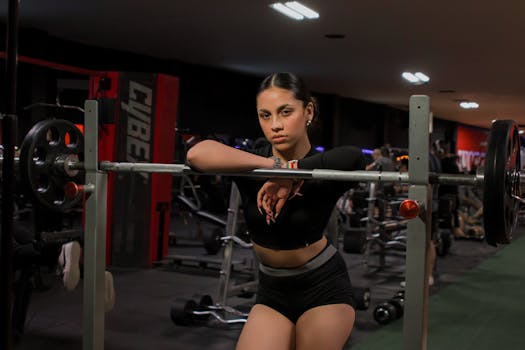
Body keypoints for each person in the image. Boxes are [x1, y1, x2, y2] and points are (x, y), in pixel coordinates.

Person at [186, 72, 366, 350]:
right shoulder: (252, 162)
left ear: (308, 111)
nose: (276, 125)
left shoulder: (323, 166)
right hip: (272, 290)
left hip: (323, 287)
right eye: (265, 115)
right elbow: (196, 155)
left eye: (285, 112)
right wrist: (276, 168)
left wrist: (295, 172)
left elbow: (355, 156)